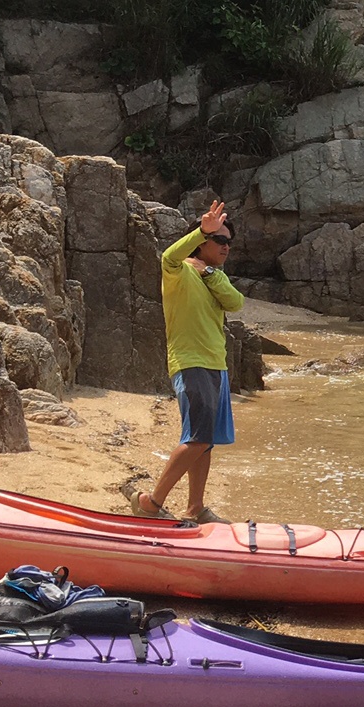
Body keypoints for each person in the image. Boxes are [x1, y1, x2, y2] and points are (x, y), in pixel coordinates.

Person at [131, 200, 244, 524]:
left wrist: (209, 272)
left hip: (216, 367)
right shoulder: (178, 270)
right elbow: (169, 255)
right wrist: (199, 232)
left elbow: (236, 302)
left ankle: (196, 507)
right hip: (190, 363)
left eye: (228, 242)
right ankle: (151, 502)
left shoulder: (211, 277)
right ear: (201, 241)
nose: (225, 247)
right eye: (218, 240)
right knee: (197, 438)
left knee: (205, 443)